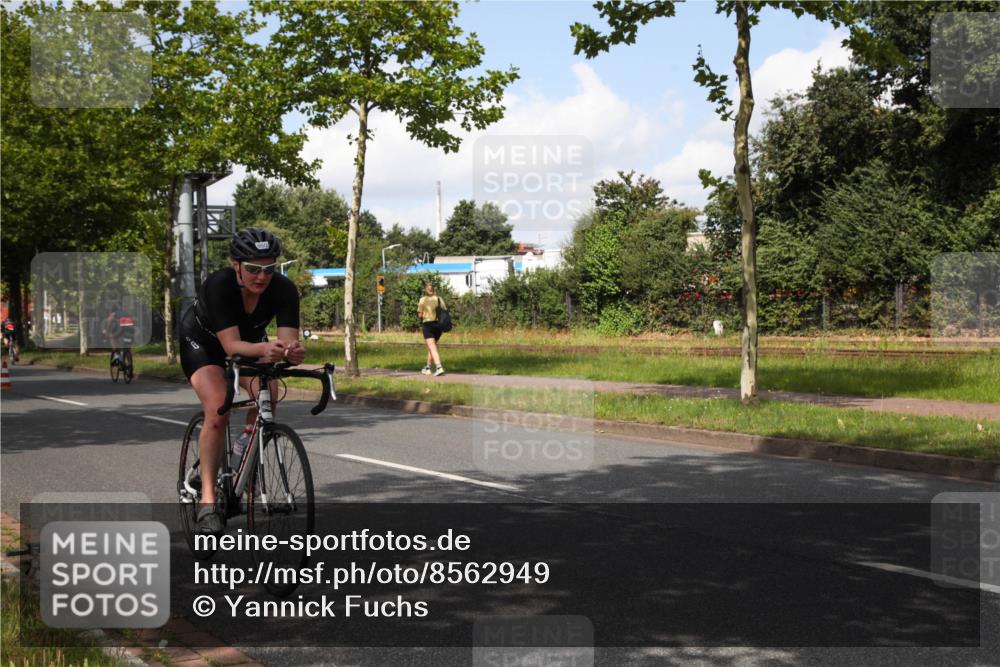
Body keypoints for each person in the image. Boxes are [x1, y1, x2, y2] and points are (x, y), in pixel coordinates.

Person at [178, 228, 305, 536]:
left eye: (269, 269)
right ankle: (208, 502)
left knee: (269, 390)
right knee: (218, 407)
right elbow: (231, 346)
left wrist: (292, 353)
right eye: (252, 269)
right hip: (204, 345)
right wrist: (266, 349)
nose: (261, 277)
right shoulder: (219, 285)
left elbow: (287, 343)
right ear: (236, 265)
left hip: (249, 344)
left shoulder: (284, 289)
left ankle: (243, 453)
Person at [416, 282, 445, 376]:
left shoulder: (423, 300)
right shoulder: (439, 299)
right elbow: (444, 311)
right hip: (439, 326)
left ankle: (439, 367)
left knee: (432, 347)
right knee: (432, 347)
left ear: (425, 290)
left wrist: (423, 313)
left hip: (428, 325)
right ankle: (427, 368)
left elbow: (419, 314)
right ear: (433, 289)